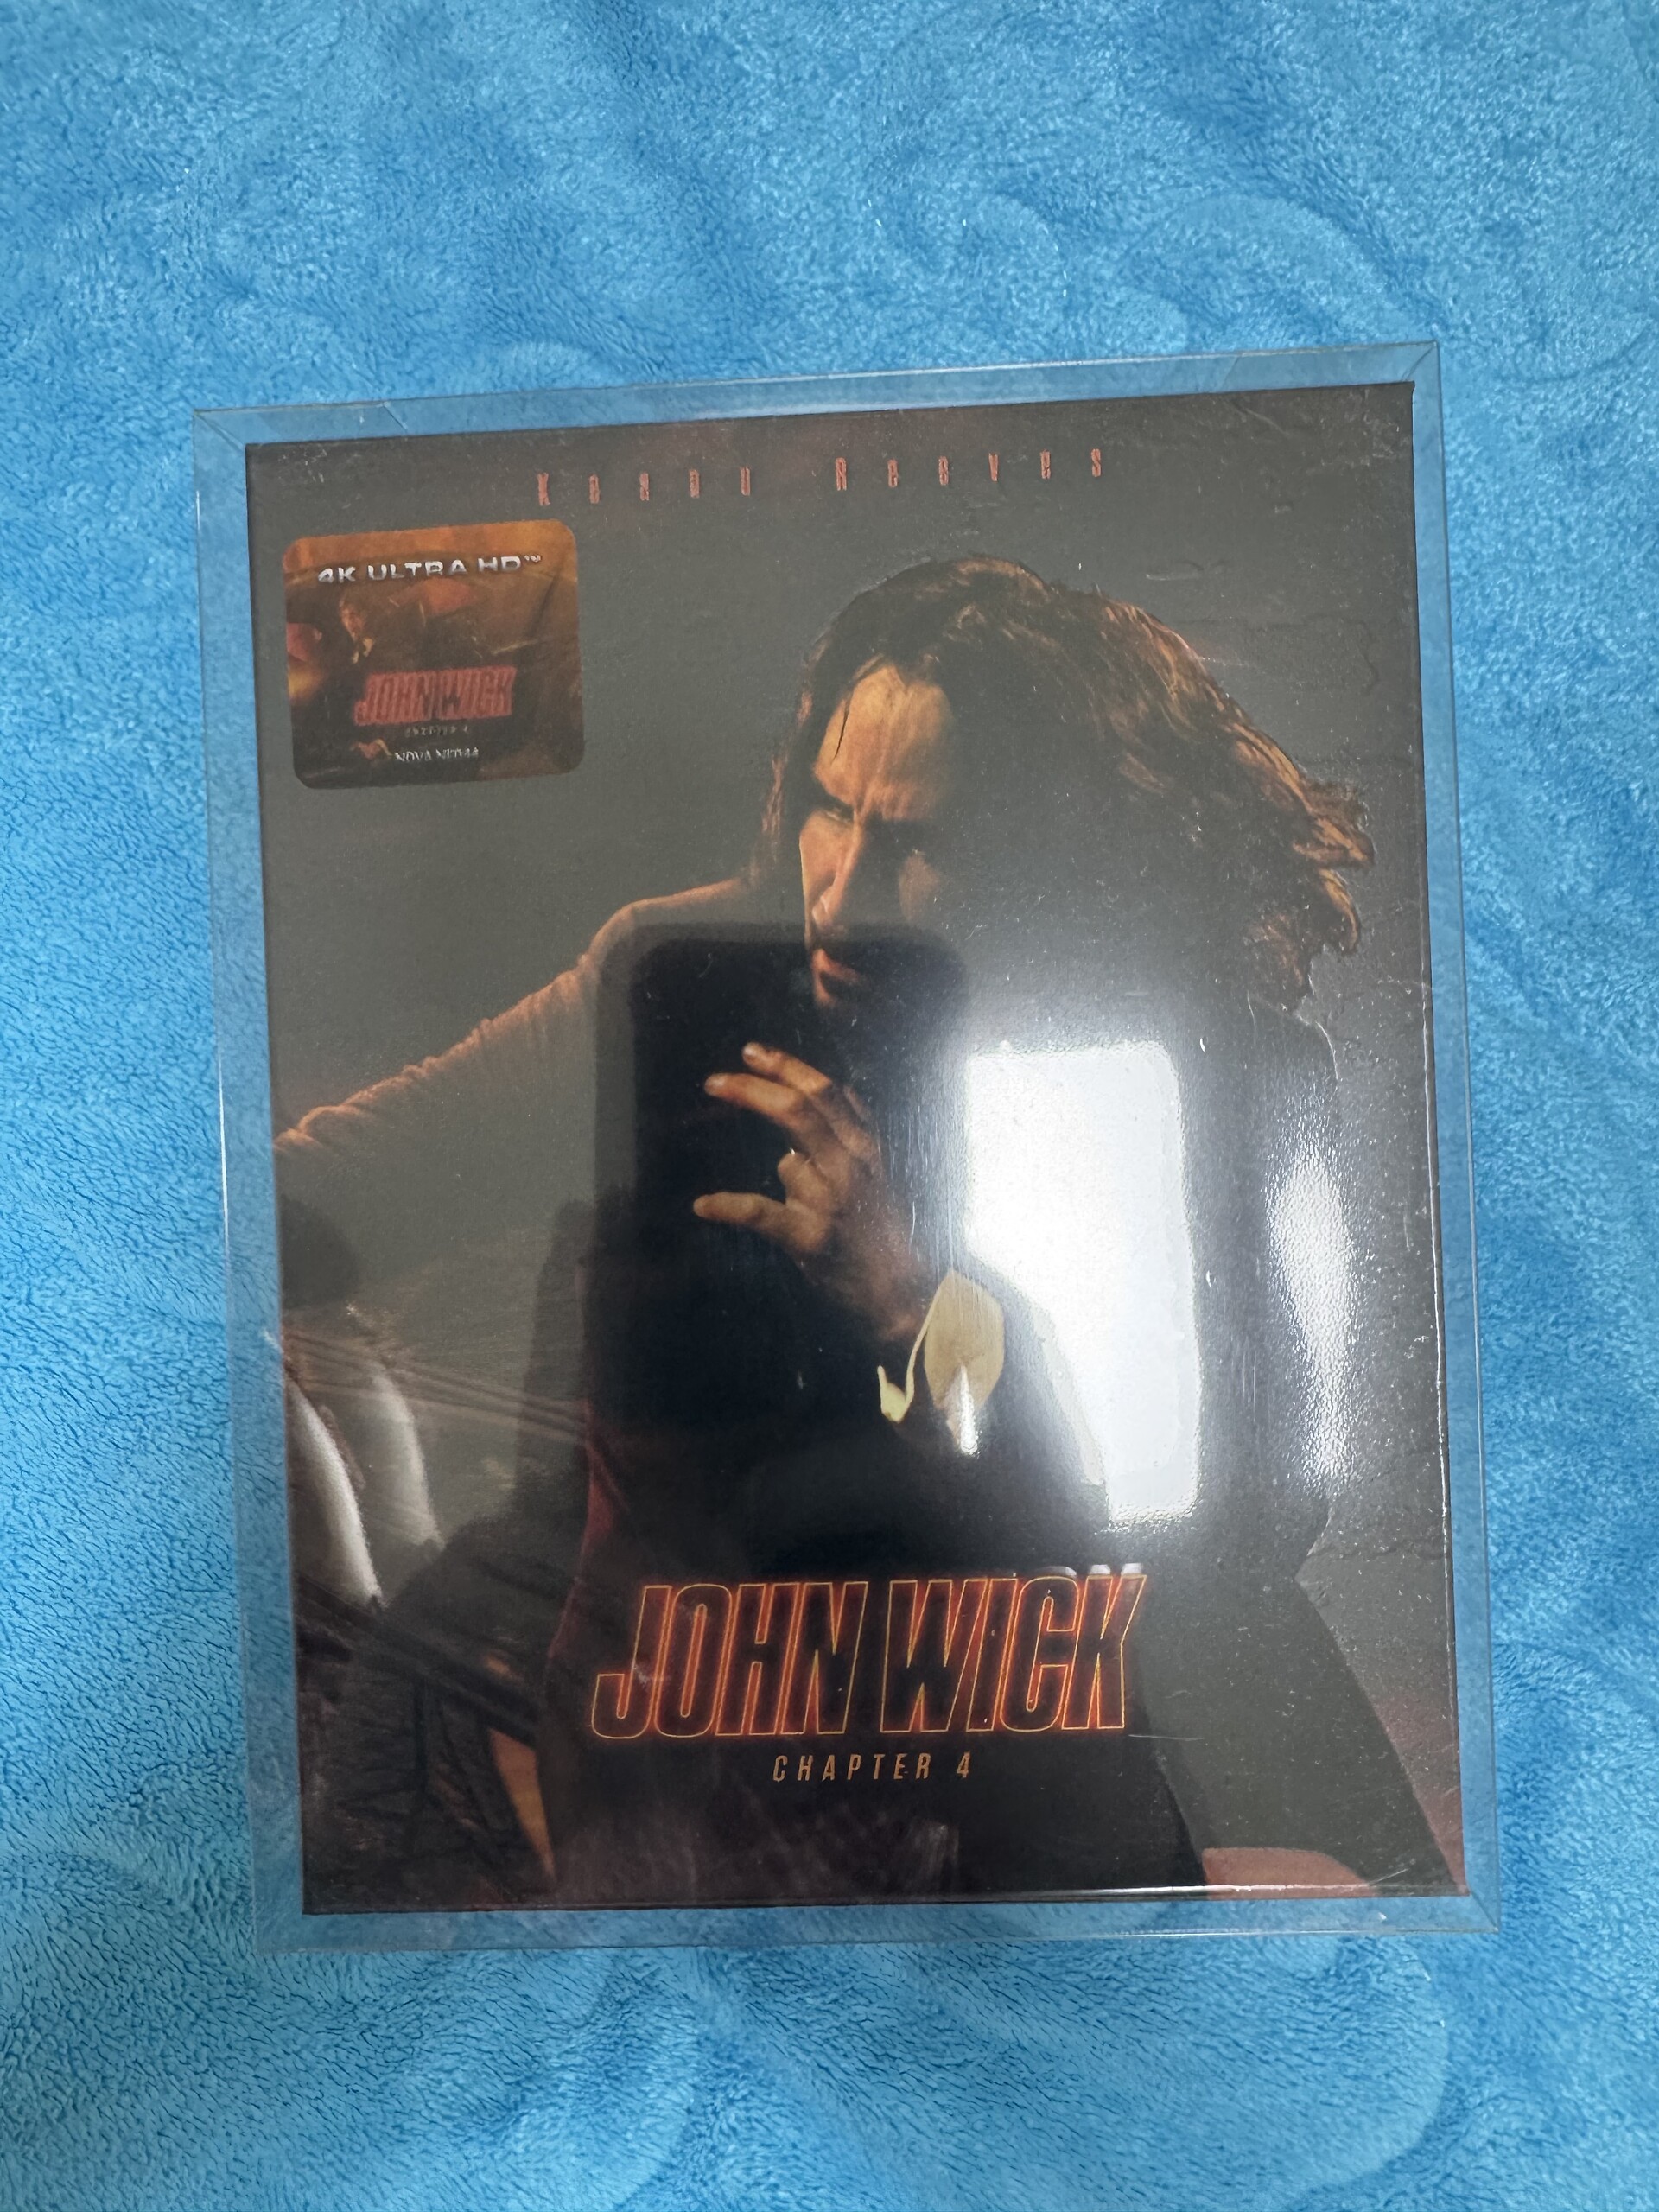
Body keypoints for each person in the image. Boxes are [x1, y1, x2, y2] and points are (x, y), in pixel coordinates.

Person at [278, 556, 1450, 1911]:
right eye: (831, 810)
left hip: (1115, 1654)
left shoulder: (1203, 1057)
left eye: (915, 840)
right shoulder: (680, 987)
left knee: (1369, 1936)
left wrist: (911, 1301)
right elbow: (342, 1190)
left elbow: (1246, 1511)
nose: (838, 889)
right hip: (723, 1710)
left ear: (1041, 853)